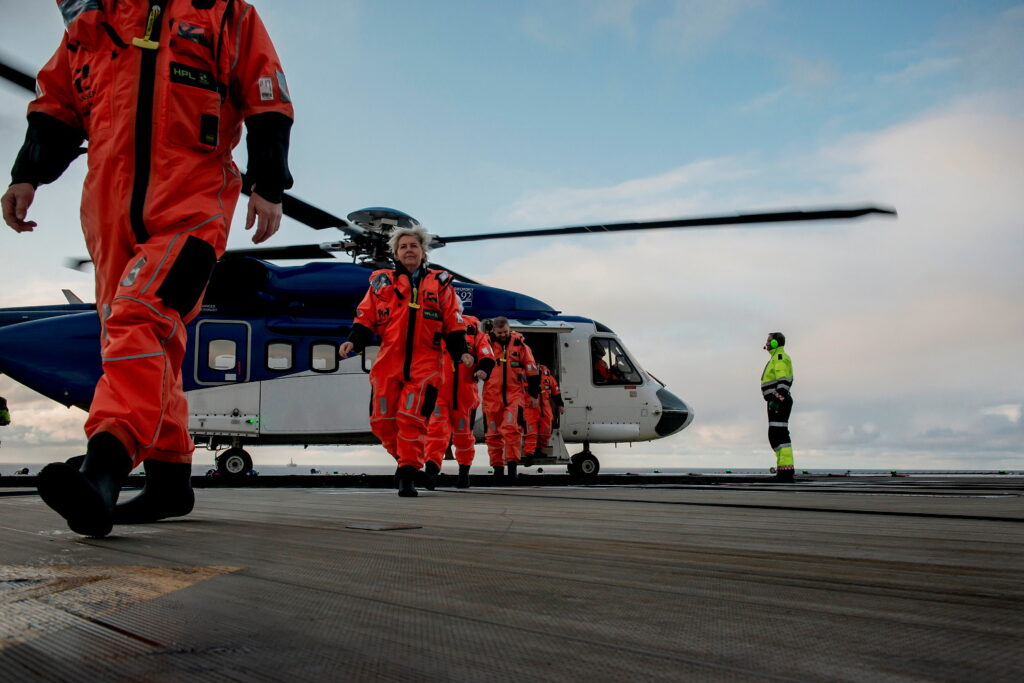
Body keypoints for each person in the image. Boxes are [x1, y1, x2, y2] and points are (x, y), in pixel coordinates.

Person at [2, 1, 294, 537]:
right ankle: (168, 479)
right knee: (144, 341)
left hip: (194, 205)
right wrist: (27, 174)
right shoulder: (89, 26)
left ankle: (104, 466)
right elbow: (57, 106)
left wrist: (268, 181)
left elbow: (266, 94)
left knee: (140, 317)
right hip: (107, 210)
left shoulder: (226, 14)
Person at [339, 225, 472, 497]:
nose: (408, 250)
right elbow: (365, 316)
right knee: (382, 421)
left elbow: (453, 321)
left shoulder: (440, 285)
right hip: (389, 361)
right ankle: (408, 465)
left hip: (426, 363)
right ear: (396, 254)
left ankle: (407, 477)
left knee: (411, 419)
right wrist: (354, 340)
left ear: (423, 252)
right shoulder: (381, 284)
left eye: (414, 245)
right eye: (403, 247)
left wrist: (461, 351)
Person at [423, 310, 495, 489]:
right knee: (435, 431)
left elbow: (487, 353)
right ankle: (431, 472)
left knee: (463, 436)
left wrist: (483, 369)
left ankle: (464, 473)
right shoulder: (433, 324)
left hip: (465, 394)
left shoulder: (474, 329)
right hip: (439, 390)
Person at [481, 317, 539, 482]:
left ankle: (512, 470)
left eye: (505, 332)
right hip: (492, 396)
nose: (503, 335)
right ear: (493, 331)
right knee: (492, 434)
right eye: (500, 332)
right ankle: (498, 470)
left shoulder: (520, 345)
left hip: (514, 395)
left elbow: (532, 370)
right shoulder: (486, 343)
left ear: (509, 329)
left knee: (512, 430)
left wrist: (534, 395)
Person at [761, 332, 795, 482]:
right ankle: (783, 470)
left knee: (779, 435)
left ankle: (786, 472)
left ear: (775, 343)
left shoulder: (780, 358)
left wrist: (777, 399)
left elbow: (784, 381)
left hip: (778, 401)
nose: (767, 343)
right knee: (777, 435)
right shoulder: (776, 358)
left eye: (769, 341)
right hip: (776, 401)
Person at [523, 364, 564, 459]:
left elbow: (555, 390)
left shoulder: (547, 375)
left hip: (545, 407)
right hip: (530, 407)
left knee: (546, 430)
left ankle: (538, 450)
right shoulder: (524, 374)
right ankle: (529, 454)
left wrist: (560, 404)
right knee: (531, 432)